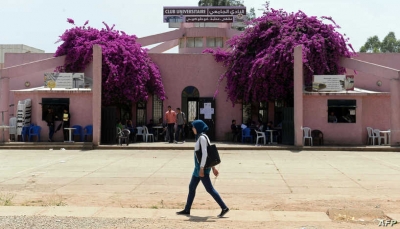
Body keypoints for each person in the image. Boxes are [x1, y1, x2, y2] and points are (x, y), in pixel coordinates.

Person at [176, 120, 229, 218]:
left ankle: (224, 207)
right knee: (191, 187)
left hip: (201, 169)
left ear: (198, 128)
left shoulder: (202, 138)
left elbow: (205, 154)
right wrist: (213, 167)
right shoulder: (201, 137)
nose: (192, 129)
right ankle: (187, 209)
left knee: (209, 189)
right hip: (197, 168)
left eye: (193, 127)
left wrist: (202, 169)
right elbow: (208, 154)